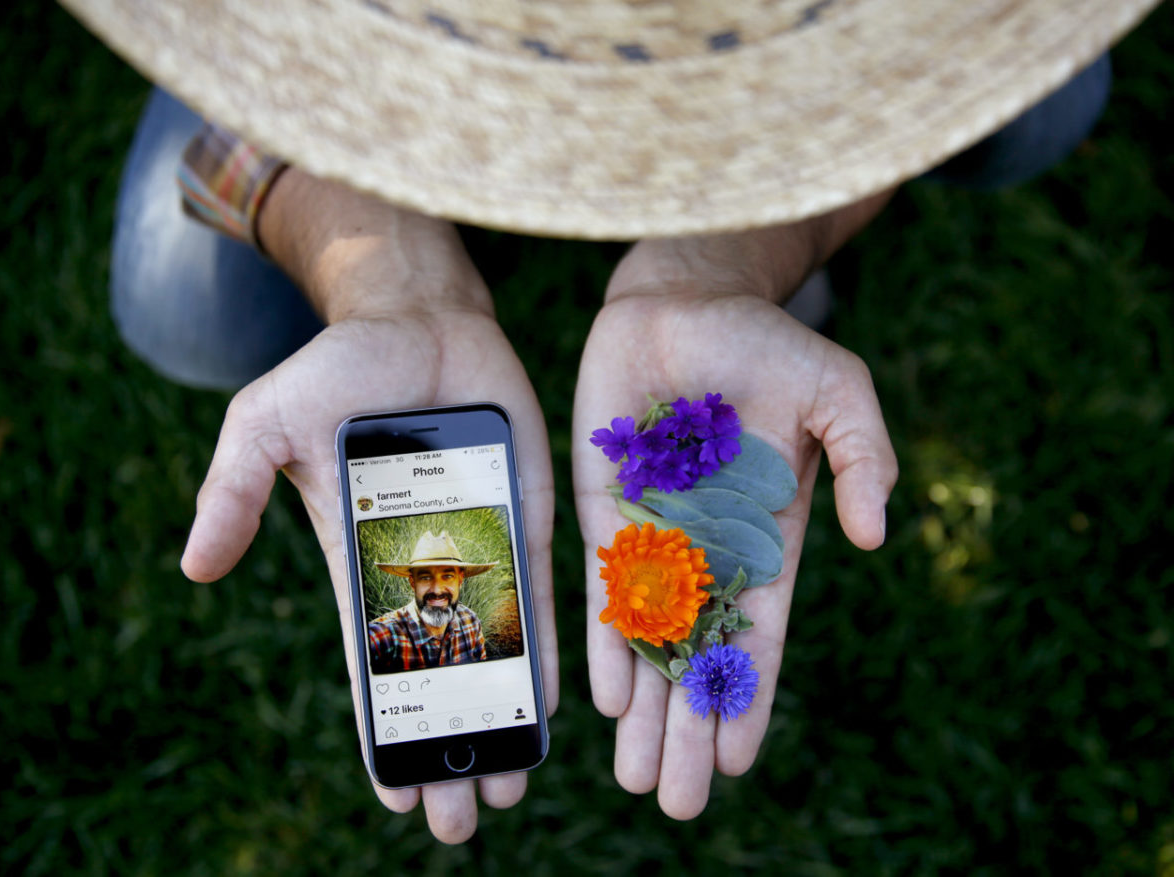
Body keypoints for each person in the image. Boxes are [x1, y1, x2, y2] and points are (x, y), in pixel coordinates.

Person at [63, 0, 1158, 845]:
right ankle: (472, 201)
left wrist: (735, 257)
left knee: (1047, 95)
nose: (440, 593)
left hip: (752, 77)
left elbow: (948, 49)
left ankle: (749, 219)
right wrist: (391, 283)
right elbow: (238, 85)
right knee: (185, 305)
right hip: (384, 45)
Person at [368, 531, 494, 672]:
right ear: (412, 583)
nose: (437, 590)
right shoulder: (386, 635)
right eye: (425, 578)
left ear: (460, 580)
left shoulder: (470, 621)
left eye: (447, 576)